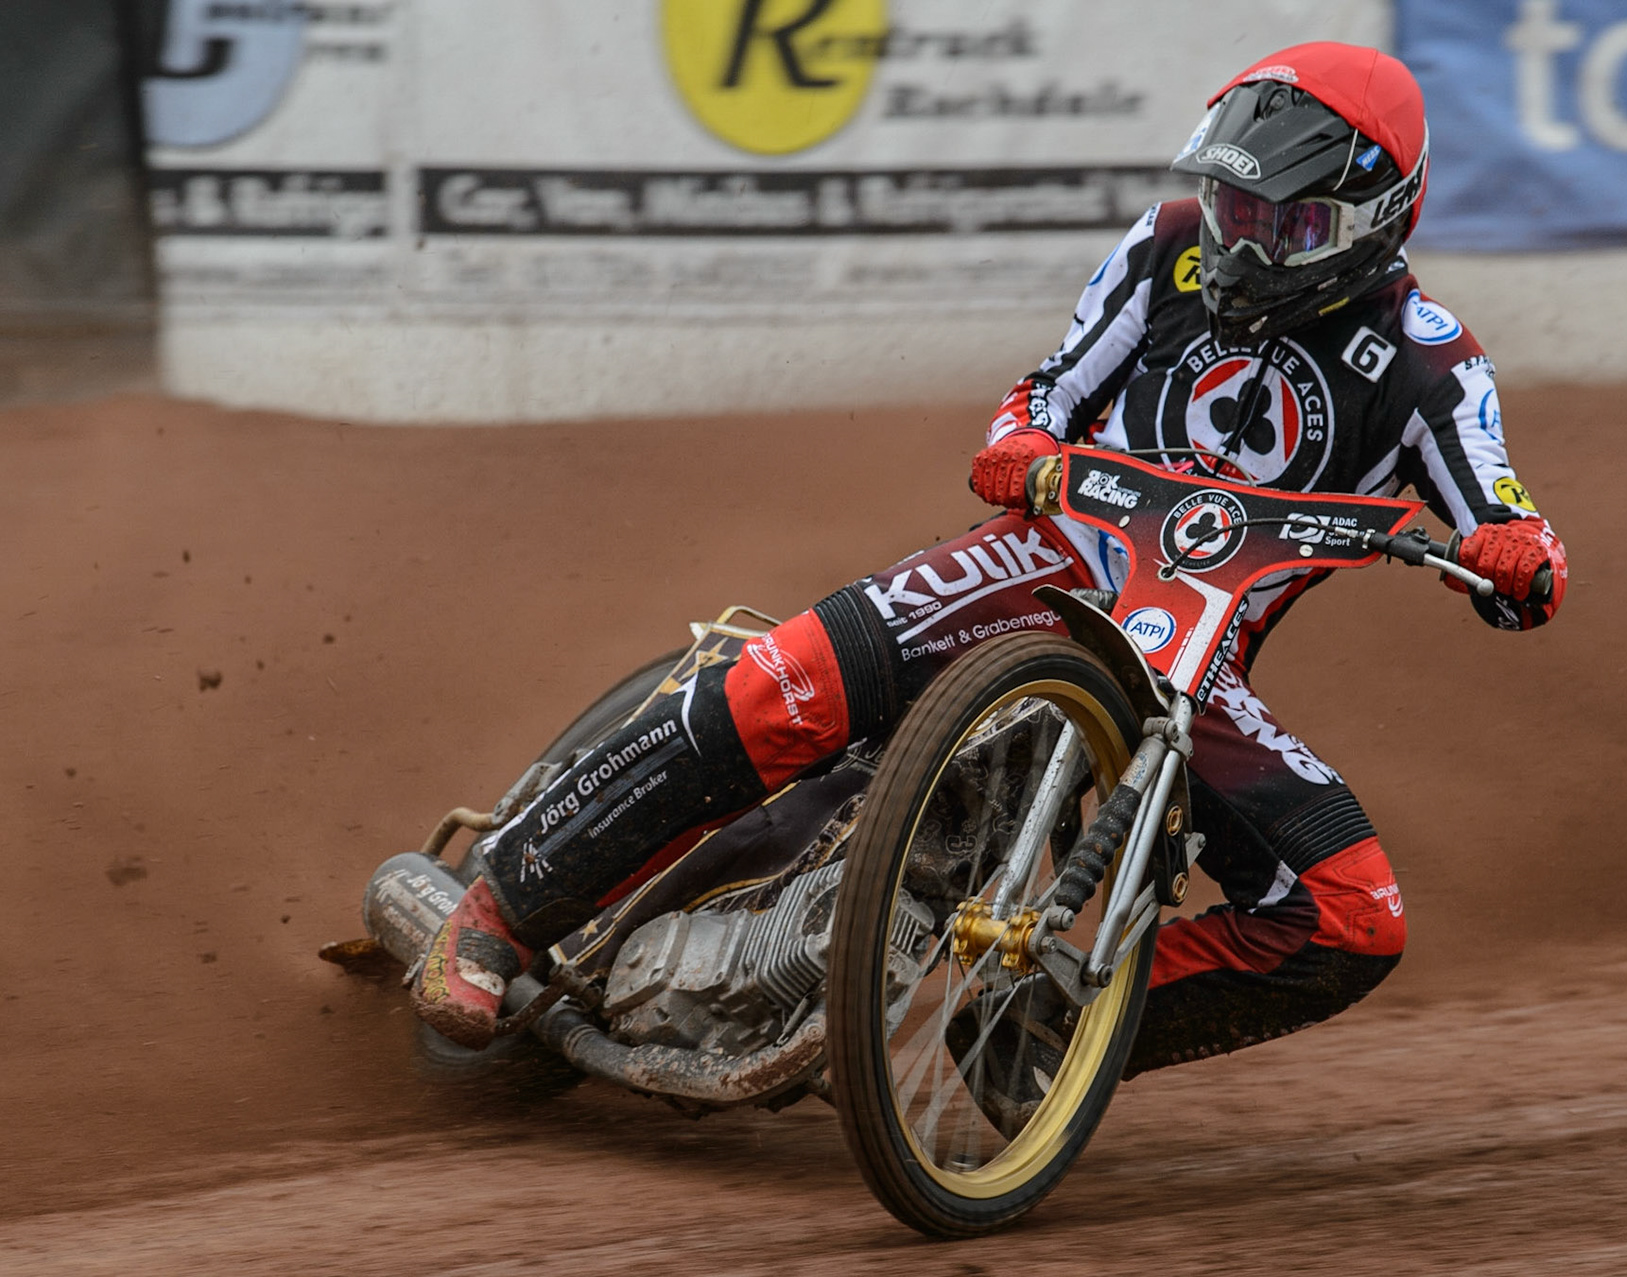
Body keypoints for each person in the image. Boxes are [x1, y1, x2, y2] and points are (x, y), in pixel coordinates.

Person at [411, 42, 1567, 1080]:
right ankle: (501, 908)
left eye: (1290, 225)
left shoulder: (1430, 363)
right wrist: (1021, 445)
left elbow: (1511, 526)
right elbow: (1046, 391)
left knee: (1355, 914)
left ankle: (1044, 1032)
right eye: (1234, 206)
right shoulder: (1168, 246)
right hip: (1039, 556)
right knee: (787, 681)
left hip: (1190, 663)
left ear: (1376, 221)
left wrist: (1518, 557)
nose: (1246, 243)